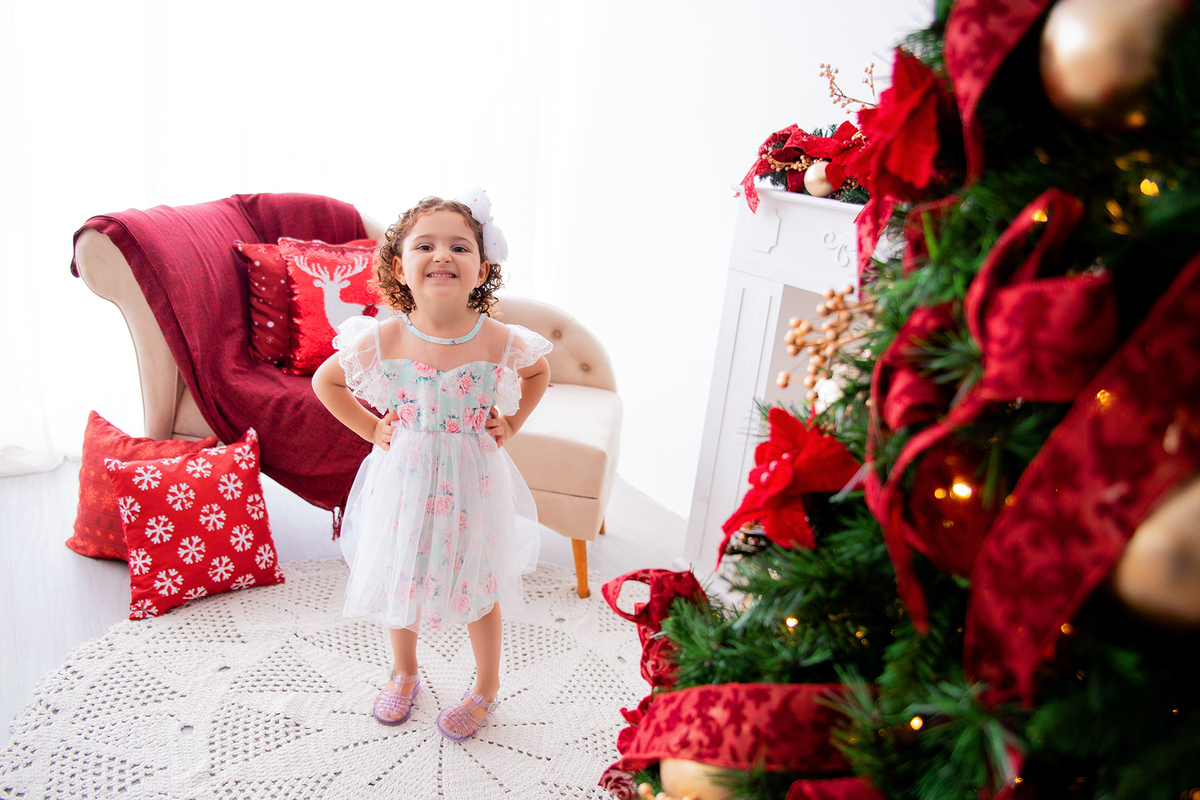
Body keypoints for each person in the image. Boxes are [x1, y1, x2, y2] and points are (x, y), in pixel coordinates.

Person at [312, 188, 551, 741]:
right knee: (405, 575)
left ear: (482, 267)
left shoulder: (497, 338)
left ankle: (486, 687)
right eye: (426, 245)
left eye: (459, 247)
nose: (442, 255)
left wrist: (510, 425)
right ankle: (404, 670)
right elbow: (328, 381)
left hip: (473, 477)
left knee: (479, 581)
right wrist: (374, 428)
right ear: (400, 266)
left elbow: (538, 374)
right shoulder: (387, 335)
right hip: (409, 476)